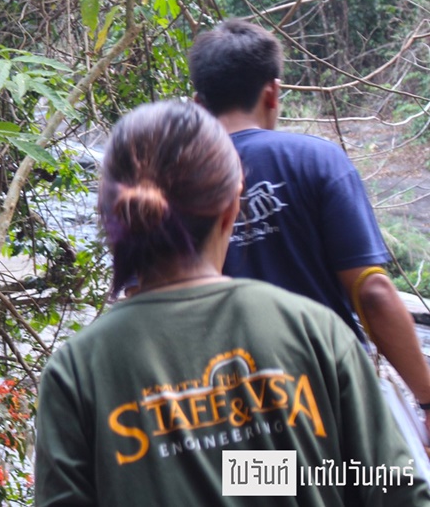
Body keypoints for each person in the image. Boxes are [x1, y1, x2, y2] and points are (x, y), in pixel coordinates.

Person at [34, 100, 430, 505]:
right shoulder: (315, 332)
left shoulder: (77, 370)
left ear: (111, 216)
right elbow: (393, 488)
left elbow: (226, 473)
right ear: (231, 207)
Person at [187, 19, 430, 437]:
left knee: (261, 482)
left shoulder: (168, 182)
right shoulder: (317, 161)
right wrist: (426, 398)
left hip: (225, 419)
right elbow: (371, 292)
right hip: (330, 403)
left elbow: (146, 305)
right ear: (272, 92)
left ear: (198, 103)